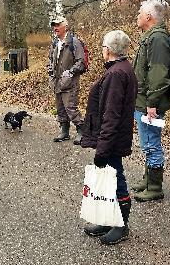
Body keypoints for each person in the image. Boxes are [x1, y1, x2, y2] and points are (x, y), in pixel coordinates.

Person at [81, 30, 137, 245]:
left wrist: (102, 149)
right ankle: (107, 219)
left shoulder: (116, 74)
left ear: (110, 49)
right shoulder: (121, 68)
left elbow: (111, 114)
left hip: (112, 138)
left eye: (104, 46)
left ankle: (121, 225)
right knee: (108, 181)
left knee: (116, 180)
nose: (102, 49)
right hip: (114, 136)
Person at [132, 0, 170, 202]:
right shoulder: (151, 37)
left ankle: (155, 187)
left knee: (151, 143)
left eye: (139, 12)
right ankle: (149, 180)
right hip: (143, 100)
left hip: (149, 102)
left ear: (149, 16)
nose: (137, 16)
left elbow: (158, 73)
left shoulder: (157, 39)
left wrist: (152, 102)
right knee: (147, 142)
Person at [47, 16, 85, 145]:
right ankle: (64, 131)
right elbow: (50, 61)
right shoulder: (54, 43)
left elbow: (81, 61)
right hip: (57, 81)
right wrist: (50, 73)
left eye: (58, 25)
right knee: (60, 108)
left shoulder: (74, 42)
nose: (55, 28)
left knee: (71, 108)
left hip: (70, 82)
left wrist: (71, 72)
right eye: (54, 25)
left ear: (66, 26)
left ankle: (82, 131)